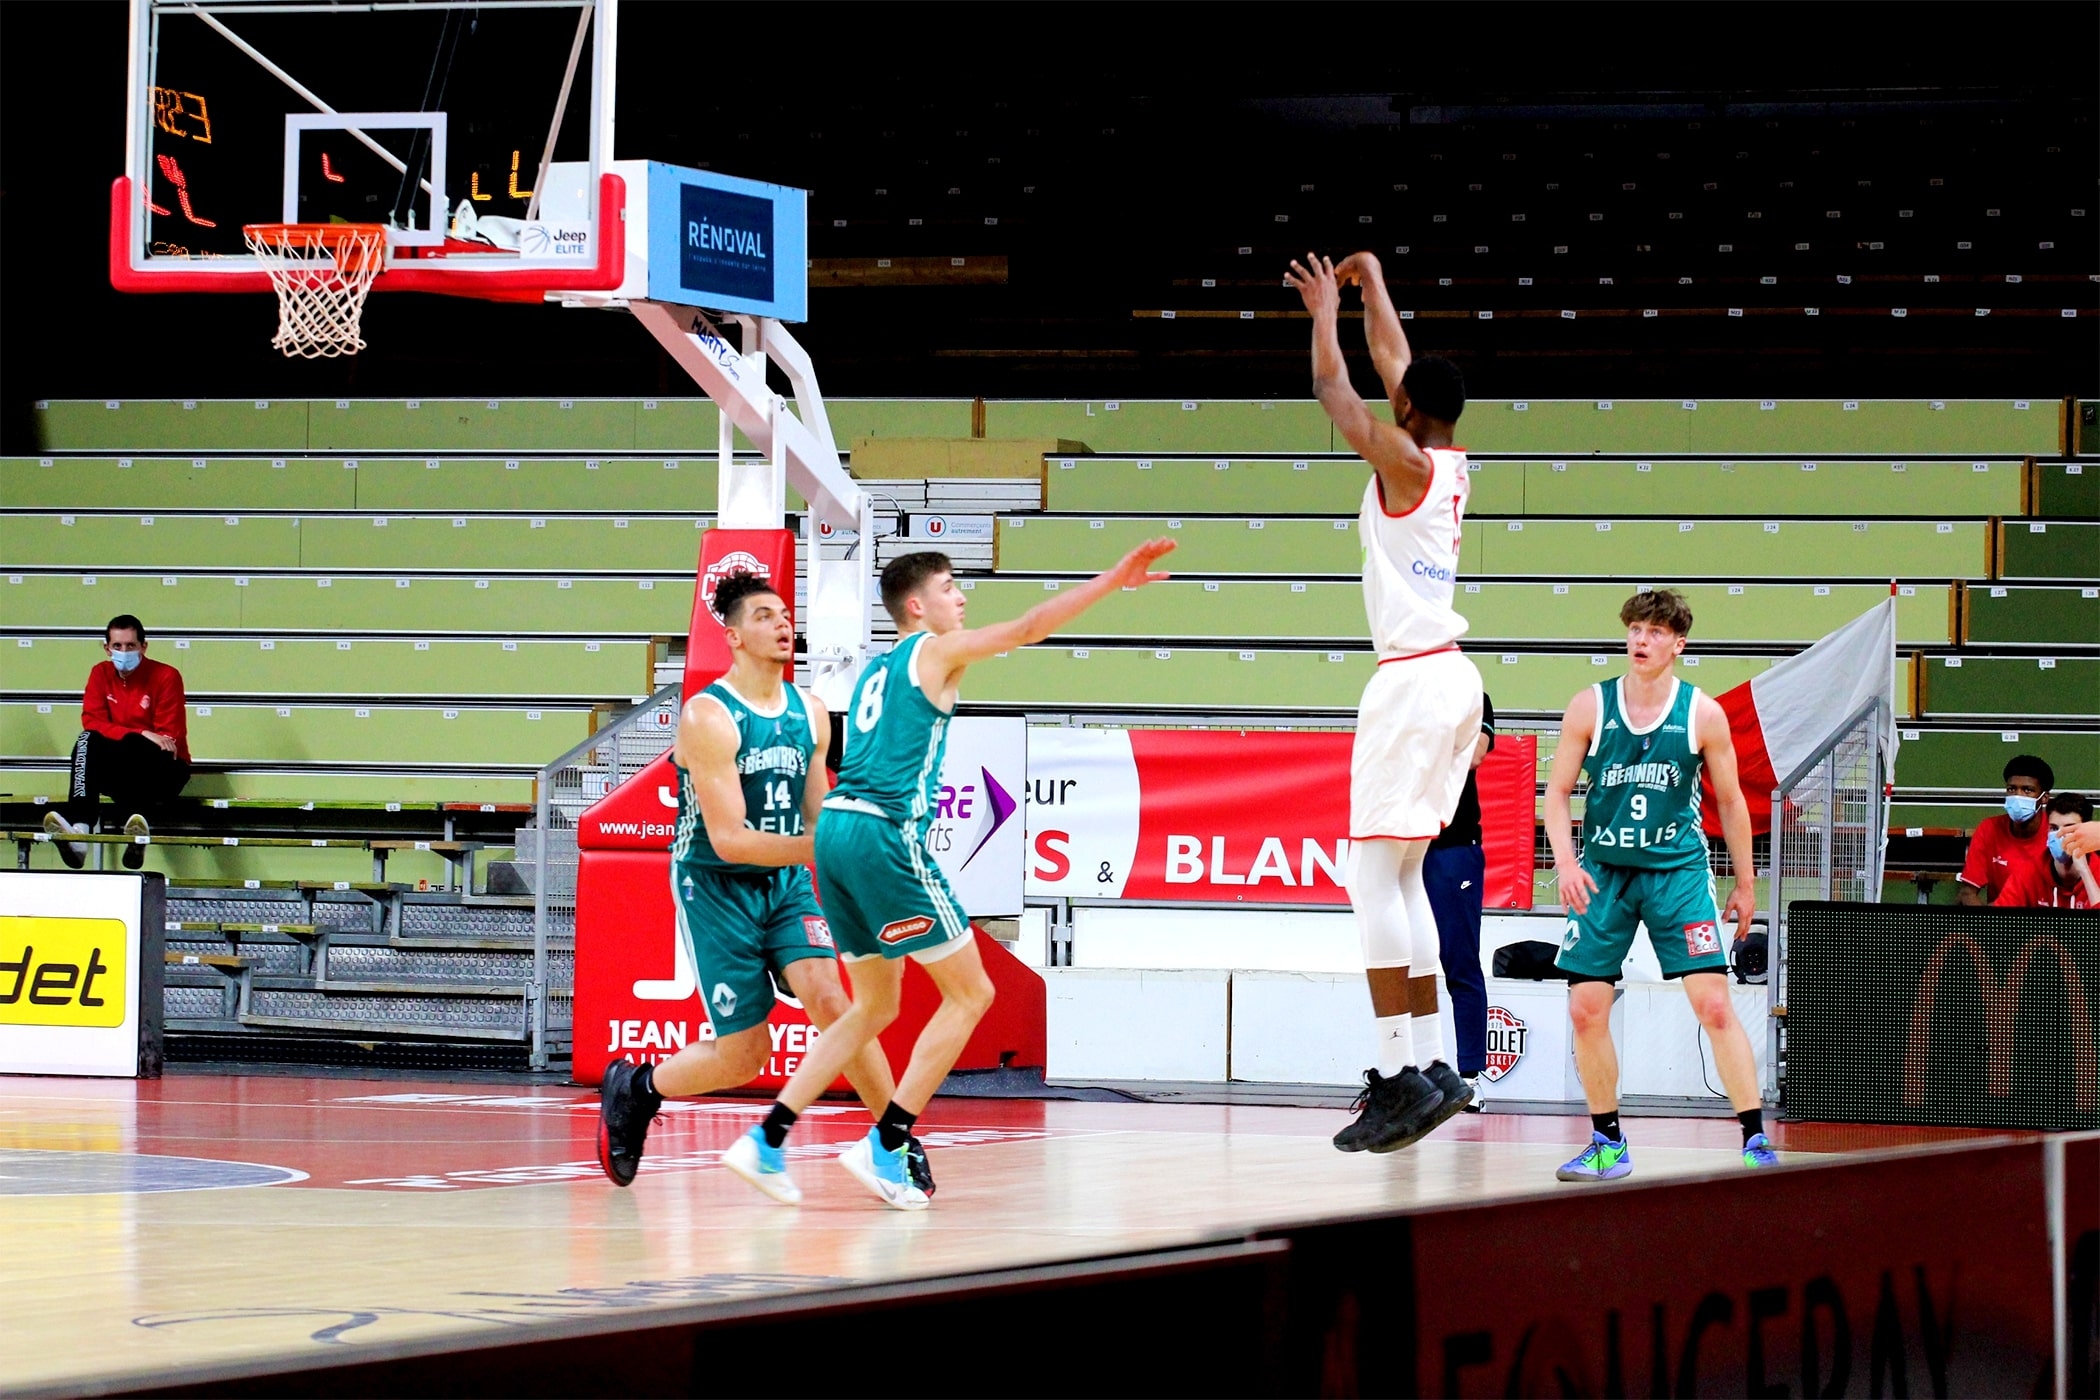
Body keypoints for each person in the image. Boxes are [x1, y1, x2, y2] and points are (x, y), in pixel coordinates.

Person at [726, 541, 1176, 1209]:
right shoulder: (930, 650)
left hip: (836, 834)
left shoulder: (878, 669)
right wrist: (1111, 579)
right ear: (917, 606)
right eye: (949, 587)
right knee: (972, 995)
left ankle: (768, 1138)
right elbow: (1028, 629)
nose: (961, 597)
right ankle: (890, 1142)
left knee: (875, 1005)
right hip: (881, 832)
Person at [595, 574, 926, 1193]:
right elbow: (731, 841)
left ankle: (894, 1139)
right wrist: (828, 849)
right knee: (746, 1056)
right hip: (716, 886)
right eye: (765, 616)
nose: (783, 624)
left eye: (785, 614)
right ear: (734, 637)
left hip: (785, 884)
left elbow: (815, 813)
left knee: (834, 1002)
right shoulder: (709, 716)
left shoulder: (812, 712)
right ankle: (636, 1089)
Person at [1286, 249, 1484, 1154]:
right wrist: (1378, 283)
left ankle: (1398, 1074)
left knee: (1375, 879)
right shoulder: (1446, 458)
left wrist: (1327, 308)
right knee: (1403, 880)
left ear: (1408, 409)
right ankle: (1437, 1065)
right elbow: (1398, 359)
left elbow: (1337, 390)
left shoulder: (1402, 463)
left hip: (1410, 680)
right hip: (1451, 678)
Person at [1543, 589, 1779, 1181]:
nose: (1641, 640)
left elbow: (1729, 800)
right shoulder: (1589, 706)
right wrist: (1567, 864)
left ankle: (1755, 1139)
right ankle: (1607, 1143)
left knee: (1715, 1004)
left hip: (1677, 872)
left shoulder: (1701, 712)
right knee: (1585, 1008)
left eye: (1654, 631)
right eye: (1635, 630)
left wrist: (1746, 884)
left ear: (1678, 643)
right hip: (1604, 872)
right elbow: (1555, 793)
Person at [44, 614, 189, 871]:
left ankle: (135, 832)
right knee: (86, 740)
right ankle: (80, 832)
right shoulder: (100, 673)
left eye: (130, 645)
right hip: (123, 769)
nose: (123, 651)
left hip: (164, 771)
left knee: (141, 748)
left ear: (144, 646)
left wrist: (132, 738)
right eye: (117, 646)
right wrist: (141, 732)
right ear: (107, 648)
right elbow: (91, 721)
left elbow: (168, 740)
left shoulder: (167, 676)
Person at [1424, 692, 1496, 1108]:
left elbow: (1474, 754)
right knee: (1405, 962)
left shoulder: (1471, 697)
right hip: (1404, 845)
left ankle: (1470, 1077)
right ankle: (1409, 1075)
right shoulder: (1397, 694)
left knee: (1461, 962)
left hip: (1454, 847)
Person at [1956, 755, 2054, 905]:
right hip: (2000, 923)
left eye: (2027, 790)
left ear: (2044, 798)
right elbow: (1968, 893)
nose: (2017, 796)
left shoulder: (2057, 833)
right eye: (2012, 789)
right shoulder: (1989, 829)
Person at [1993, 792, 2100, 910]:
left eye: (2070, 828)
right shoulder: (2029, 872)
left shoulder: (2097, 871)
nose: (2060, 835)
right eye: (2054, 828)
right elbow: (1997, 921)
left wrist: (2085, 872)